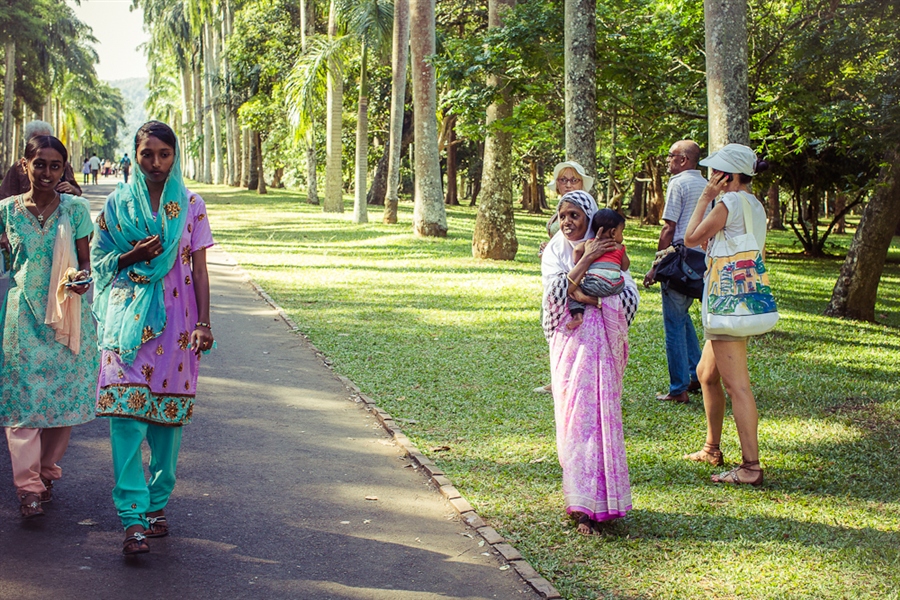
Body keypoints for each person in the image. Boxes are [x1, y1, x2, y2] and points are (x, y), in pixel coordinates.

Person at [91, 121, 215, 555]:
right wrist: (133, 255)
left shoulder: (192, 205)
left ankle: (157, 505)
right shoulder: (117, 204)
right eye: (148, 154)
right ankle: (132, 517)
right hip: (125, 324)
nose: (156, 163)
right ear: (135, 155)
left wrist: (204, 323)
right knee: (125, 418)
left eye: (164, 154)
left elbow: (199, 269)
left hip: (178, 325)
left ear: (174, 156)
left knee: (166, 421)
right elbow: (99, 262)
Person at [0, 135, 97, 518]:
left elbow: (87, 264)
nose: (46, 172)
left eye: (55, 165)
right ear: (25, 165)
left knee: (63, 398)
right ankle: (28, 489)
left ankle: (46, 471)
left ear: (64, 169)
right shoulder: (6, 211)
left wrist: (81, 279)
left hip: (66, 317)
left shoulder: (75, 210)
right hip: (22, 316)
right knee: (22, 400)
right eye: (39, 164)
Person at [542, 190, 637, 535]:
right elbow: (554, 294)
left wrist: (590, 299)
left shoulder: (612, 250)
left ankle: (601, 506)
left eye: (575, 216)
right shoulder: (556, 251)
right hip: (570, 343)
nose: (567, 222)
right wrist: (584, 262)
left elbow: (628, 293)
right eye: (562, 215)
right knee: (576, 420)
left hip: (603, 346)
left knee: (600, 420)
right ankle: (581, 502)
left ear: (591, 219)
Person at [682, 143, 770, 484]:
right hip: (742, 300)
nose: (710, 176)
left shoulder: (729, 202)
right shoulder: (754, 205)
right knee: (706, 373)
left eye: (714, 171)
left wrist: (706, 197)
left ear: (728, 175)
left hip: (727, 304)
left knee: (738, 386)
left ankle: (751, 467)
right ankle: (712, 447)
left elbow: (690, 238)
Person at [643, 140, 708, 404]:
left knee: (673, 324)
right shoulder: (706, 185)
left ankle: (678, 388)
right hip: (701, 262)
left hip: (679, 262)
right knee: (683, 318)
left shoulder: (678, 183)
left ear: (683, 160)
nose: (667, 161)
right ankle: (696, 374)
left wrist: (656, 264)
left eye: (670, 156)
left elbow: (669, 228)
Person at [533, 160, 595, 393]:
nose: (568, 184)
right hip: (560, 272)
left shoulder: (593, 215)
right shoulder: (558, 216)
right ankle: (559, 376)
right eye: (563, 180)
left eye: (574, 179)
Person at [567, 208, 630, 330]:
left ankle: (578, 316)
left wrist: (579, 263)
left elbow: (576, 250)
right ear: (613, 232)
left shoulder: (590, 244)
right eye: (621, 232)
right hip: (616, 287)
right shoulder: (619, 247)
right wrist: (622, 252)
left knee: (574, 292)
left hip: (594, 285)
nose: (622, 236)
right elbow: (625, 266)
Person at [0, 120, 83, 199]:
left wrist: (72, 189)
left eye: (54, 167)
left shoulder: (62, 164)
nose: (47, 173)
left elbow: (77, 191)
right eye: (39, 165)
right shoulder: (18, 167)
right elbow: (4, 195)